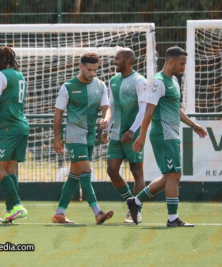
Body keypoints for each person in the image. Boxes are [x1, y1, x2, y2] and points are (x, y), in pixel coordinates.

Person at [128, 46, 208, 227]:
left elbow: (175, 109)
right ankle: (173, 219)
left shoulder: (173, 81)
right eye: (182, 64)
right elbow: (149, 110)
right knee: (174, 174)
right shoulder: (158, 82)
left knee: (169, 176)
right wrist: (141, 135)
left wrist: (193, 125)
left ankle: (135, 202)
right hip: (164, 134)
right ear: (171, 61)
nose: (183, 68)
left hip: (171, 134)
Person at [52, 52, 114, 224]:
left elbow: (106, 109)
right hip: (73, 135)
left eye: (95, 69)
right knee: (86, 172)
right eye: (88, 69)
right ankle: (97, 212)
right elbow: (58, 114)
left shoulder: (100, 85)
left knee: (74, 176)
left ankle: (59, 213)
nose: (92, 73)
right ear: (80, 67)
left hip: (89, 135)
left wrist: (106, 122)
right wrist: (57, 138)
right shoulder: (68, 87)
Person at [101, 48, 147, 223]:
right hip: (116, 134)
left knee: (137, 172)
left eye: (117, 59)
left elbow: (144, 108)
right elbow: (111, 108)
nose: (114, 62)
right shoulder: (113, 81)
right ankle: (131, 203)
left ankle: (137, 211)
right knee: (112, 170)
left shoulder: (140, 81)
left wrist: (133, 131)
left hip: (132, 134)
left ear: (128, 60)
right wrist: (106, 128)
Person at [0, 47, 28, 223]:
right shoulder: (20, 75)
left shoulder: (1, 75)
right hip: (21, 125)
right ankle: (11, 210)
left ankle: (17, 205)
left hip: (8, 128)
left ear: (3, 60)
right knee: (11, 169)